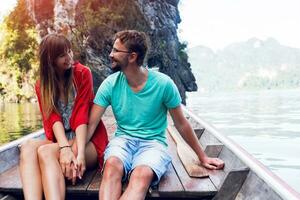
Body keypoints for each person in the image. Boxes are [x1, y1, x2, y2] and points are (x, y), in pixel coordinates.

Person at [87, 30, 224, 200]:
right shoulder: (110, 84)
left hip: (153, 144)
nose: (111, 54)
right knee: (112, 166)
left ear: (132, 57)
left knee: (141, 175)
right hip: (122, 141)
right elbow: (91, 123)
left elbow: (181, 124)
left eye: (116, 50)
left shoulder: (164, 84)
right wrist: (74, 153)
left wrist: (202, 156)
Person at [19, 33, 108, 200]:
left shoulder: (82, 73)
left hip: (87, 140)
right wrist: (64, 148)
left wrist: (78, 153)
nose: (69, 58)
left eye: (69, 51)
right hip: (61, 140)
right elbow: (53, 119)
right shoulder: (42, 85)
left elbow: (82, 115)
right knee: (27, 147)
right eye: (62, 55)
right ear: (50, 60)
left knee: (46, 153)